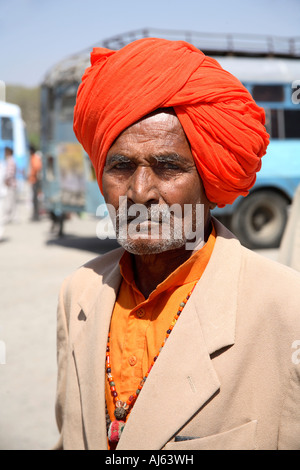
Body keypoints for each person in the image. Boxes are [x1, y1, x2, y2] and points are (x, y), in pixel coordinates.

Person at [54, 38, 300, 451]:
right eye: (121, 166)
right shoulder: (78, 292)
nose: (140, 191)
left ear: (209, 178)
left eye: (168, 167)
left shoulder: (285, 307)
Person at [28, 145, 42, 221]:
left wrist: (34, 176)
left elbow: (37, 167)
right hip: (34, 180)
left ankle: (36, 215)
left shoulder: (34, 158)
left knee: (35, 199)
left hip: (35, 180)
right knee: (34, 199)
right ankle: (35, 214)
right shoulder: (33, 157)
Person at [3, 146, 17, 224]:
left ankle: (10, 217)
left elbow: (10, 173)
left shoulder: (11, 161)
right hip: (11, 184)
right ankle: (12, 216)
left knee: (10, 201)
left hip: (11, 184)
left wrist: (7, 180)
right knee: (11, 200)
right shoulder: (10, 160)